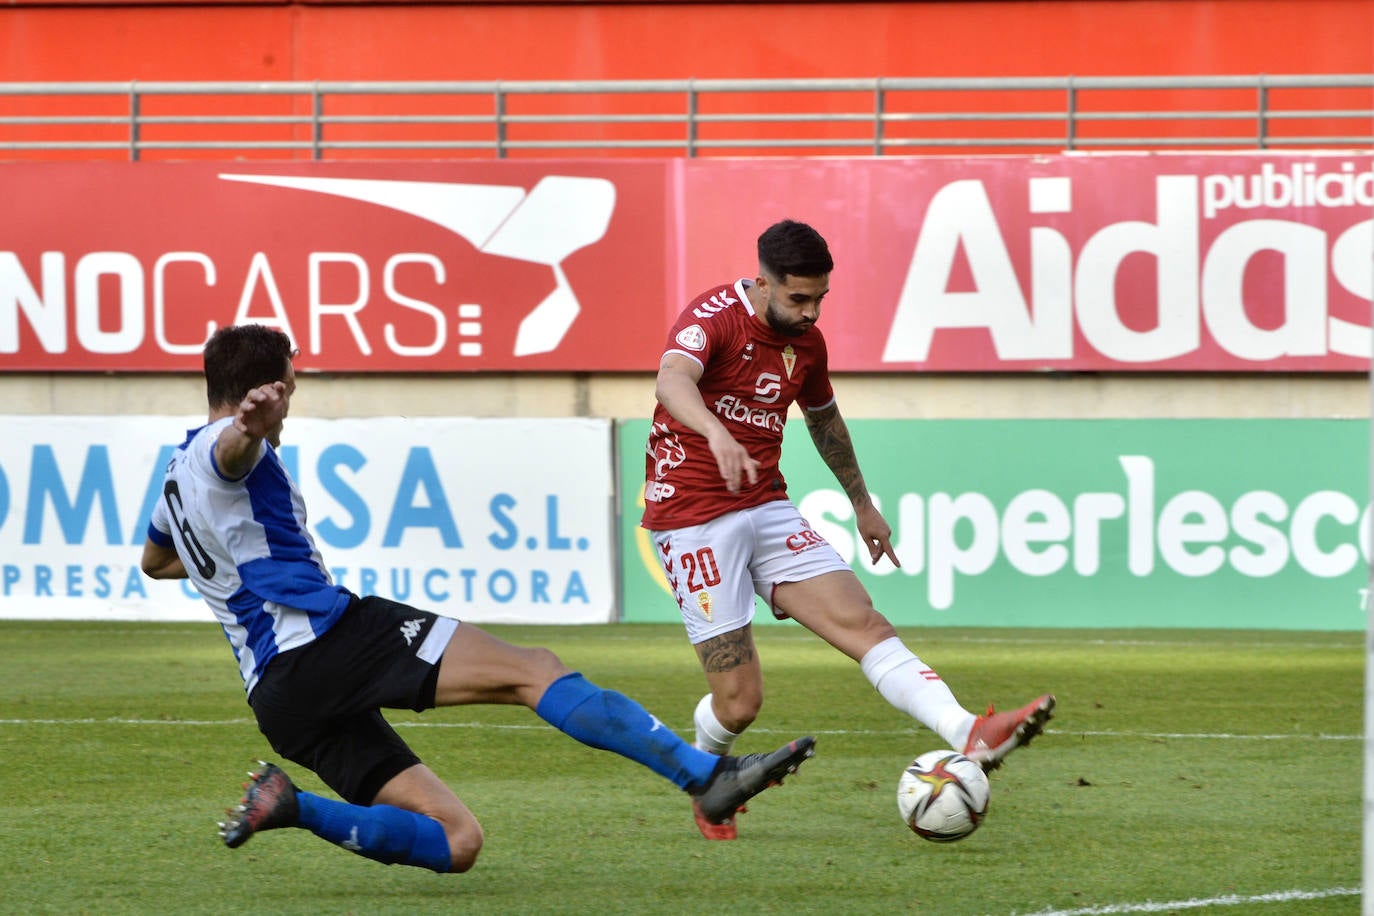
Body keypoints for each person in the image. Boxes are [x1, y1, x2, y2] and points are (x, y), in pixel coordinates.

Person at [141, 323, 815, 873]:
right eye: (290, 388)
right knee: (536, 671)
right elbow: (228, 454)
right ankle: (705, 777)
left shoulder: (173, 474)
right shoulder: (226, 451)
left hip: (278, 700)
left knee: (457, 840)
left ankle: (290, 805)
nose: (291, 401)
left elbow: (157, 560)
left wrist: (228, 572)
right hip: (326, 641)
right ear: (270, 388)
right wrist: (248, 427)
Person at [642, 219, 1054, 840]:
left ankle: (968, 730)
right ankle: (708, 783)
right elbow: (672, 379)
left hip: (765, 503)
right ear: (763, 282)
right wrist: (718, 433)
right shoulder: (713, 317)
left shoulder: (807, 344)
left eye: (820, 300)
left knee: (864, 621)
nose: (810, 313)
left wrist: (862, 503)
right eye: (797, 299)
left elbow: (823, 418)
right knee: (739, 703)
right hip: (693, 516)